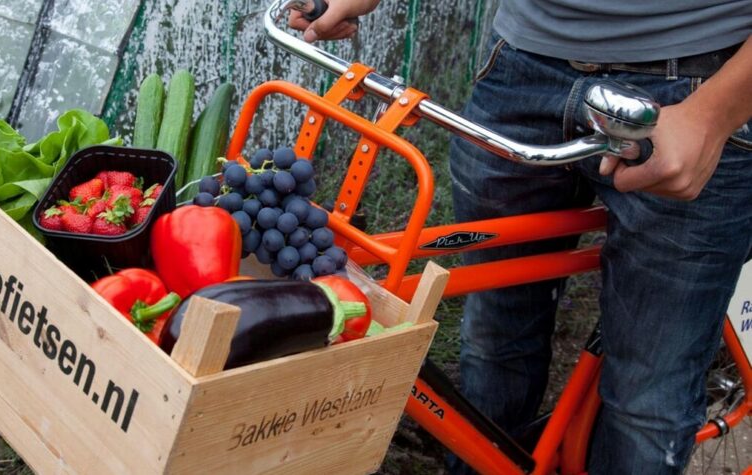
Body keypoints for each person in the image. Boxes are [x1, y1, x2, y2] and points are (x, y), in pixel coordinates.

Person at [291, 1, 752, 473]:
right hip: (522, 65)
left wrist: (713, 116)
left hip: (697, 83)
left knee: (648, 398)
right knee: (494, 340)